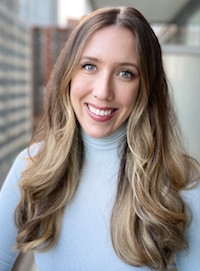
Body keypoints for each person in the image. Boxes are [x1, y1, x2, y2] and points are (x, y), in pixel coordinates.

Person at [0, 6, 199, 271]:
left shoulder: (181, 182)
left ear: (145, 88)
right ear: (69, 74)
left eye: (125, 73)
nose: (103, 91)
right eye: (89, 66)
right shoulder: (32, 166)